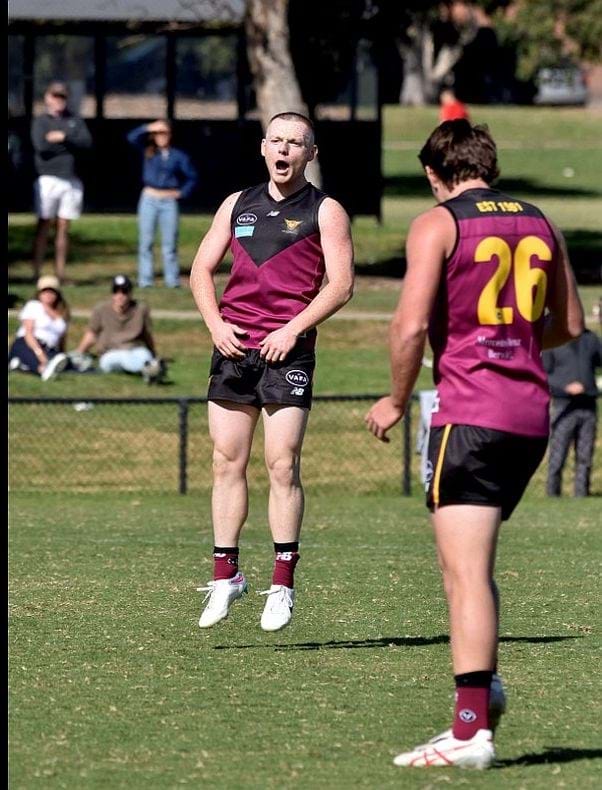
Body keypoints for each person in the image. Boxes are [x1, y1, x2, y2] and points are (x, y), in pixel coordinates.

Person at [365, 120, 584, 769]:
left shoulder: (438, 223)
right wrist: (512, 343)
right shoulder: (540, 219)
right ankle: (482, 690)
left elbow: (408, 326)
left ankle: (469, 732)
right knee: (463, 564)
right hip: (529, 414)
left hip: (472, 413)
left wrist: (398, 399)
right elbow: (570, 323)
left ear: (435, 175)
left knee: (465, 572)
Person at [187, 112, 355, 633]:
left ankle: (281, 583)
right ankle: (226, 576)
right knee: (225, 460)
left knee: (281, 463)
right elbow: (200, 270)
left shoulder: (326, 211)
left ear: (311, 153)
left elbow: (341, 284)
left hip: (289, 352)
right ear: (264, 148)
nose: (284, 150)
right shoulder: (236, 204)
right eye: (277, 141)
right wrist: (215, 324)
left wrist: (292, 330)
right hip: (234, 348)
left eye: (295, 143)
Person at [31, 80, 92, 283]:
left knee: (64, 226)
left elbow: (85, 143)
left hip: (70, 178)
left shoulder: (74, 120)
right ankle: (37, 272)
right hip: (48, 178)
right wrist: (68, 143)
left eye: (62, 97)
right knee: (44, 224)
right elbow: (42, 147)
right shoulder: (40, 122)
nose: (59, 101)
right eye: (55, 96)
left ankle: (60, 273)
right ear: (48, 98)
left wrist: (63, 138)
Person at [126, 119, 197, 288]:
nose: (161, 137)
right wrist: (148, 126)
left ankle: (171, 280)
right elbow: (131, 137)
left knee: (169, 242)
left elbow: (192, 176)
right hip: (149, 198)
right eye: (158, 133)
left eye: (164, 133)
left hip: (168, 200)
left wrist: (182, 192)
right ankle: (145, 280)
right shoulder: (148, 151)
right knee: (146, 241)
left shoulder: (178, 156)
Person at [70, 274, 167, 384]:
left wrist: (153, 353)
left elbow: (147, 335)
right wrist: (79, 352)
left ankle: (149, 367)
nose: (120, 295)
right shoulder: (101, 310)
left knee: (144, 355)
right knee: (123, 357)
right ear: (112, 294)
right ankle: (149, 369)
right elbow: (91, 334)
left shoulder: (141, 309)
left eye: (124, 291)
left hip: (135, 349)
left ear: (130, 293)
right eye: (116, 291)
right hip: (110, 352)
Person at [541, 324, 601, 496]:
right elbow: (544, 374)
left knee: (585, 456)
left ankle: (581, 494)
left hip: (588, 405)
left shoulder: (591, 339)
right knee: (558, 455)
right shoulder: (553, 340)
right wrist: (564, 387)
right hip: (563, 406)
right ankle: (553, 494)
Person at [8, 275, 70, 381]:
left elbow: (62, 339)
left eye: (52, 291)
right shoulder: (33, 306)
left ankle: (22, 366)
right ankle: (43, 371)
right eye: (45, 291)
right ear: (39, 292)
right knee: (34, 357)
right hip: (28, 343)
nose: (48, 294)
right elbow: (28, 333)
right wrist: (41, 355)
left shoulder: (61, 314)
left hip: (50, 347)